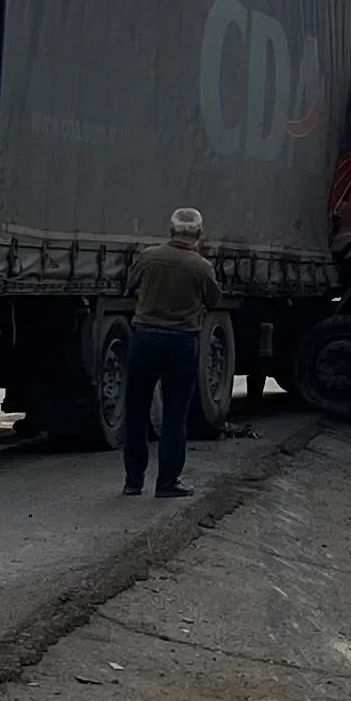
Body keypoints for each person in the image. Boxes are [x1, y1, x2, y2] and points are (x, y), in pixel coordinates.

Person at [122, 207, 218, 498]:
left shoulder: (149, 257)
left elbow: (130, 285)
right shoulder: (202, 267)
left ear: (171, 231)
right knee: (175, 414)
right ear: (199, 235)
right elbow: (212, 300)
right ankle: (167, 483)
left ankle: (133, 481)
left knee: (136, 411)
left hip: (145, 338)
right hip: (181, 342)